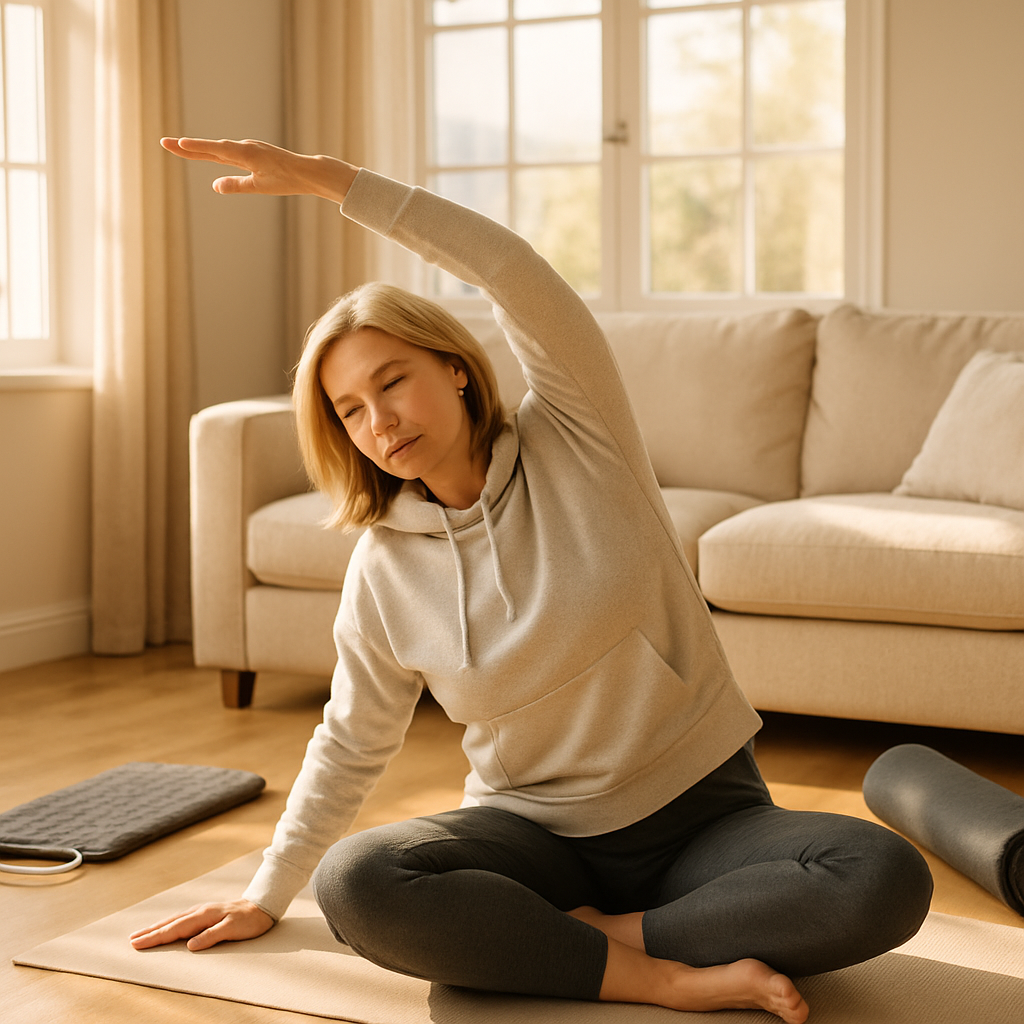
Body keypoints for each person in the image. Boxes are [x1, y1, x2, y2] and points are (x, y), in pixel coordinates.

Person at [131, 138, 933, 1023]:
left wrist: (332, 181)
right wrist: (267, 890)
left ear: (460, 371)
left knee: (880, 876)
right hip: (532, 838)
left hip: (705, 819)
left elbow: (512, 270)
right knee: (357, 883)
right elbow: (351, 739)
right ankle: (661, 972)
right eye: (350, 410)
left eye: (392, 380)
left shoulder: (582, 439)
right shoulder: (383, 568)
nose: (379, 420)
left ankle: (601, 939)